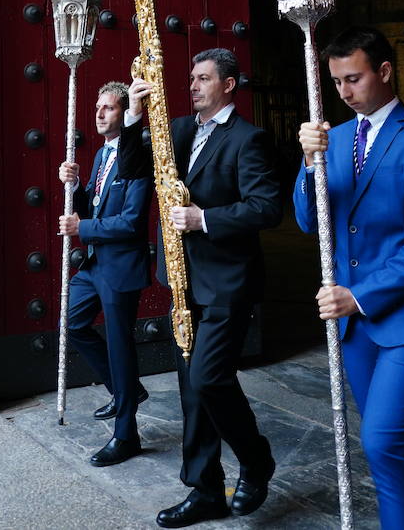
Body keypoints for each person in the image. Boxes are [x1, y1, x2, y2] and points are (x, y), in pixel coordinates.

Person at [295, 26, 404, 529]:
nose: (344, 91)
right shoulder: (334, 139)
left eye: (354, 78)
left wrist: (358, 295)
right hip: (355, 332)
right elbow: (309, 221)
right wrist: (308, 164)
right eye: (336, 81)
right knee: (387, 452)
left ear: (384, 71)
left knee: (383, 442)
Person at [120, 48, 282, 528]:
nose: (192, 85)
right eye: (191, 77)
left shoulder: (248, 139)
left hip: (227, 283)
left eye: (204, 78)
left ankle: (256, 459)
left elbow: (266, 208)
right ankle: (205, 490)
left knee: (208, 378)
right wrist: (133, 114)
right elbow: (132, 168)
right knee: (191, 392)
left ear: (228, 85)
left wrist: (203, 218)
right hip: (182, 280)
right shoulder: (179, 131)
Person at [56, 81, 153, 467]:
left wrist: (82, 228)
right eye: (98, 107)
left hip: (121, 267)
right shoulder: (100, 154)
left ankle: (126, 435)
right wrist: (76, 184)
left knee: (119, 347)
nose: (98, 113)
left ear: (125, 113)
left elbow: (131, 222)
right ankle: (124, 389)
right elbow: (92, 205)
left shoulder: (138, 155)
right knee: (72, 323)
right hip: (95, 264)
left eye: (108, 108)